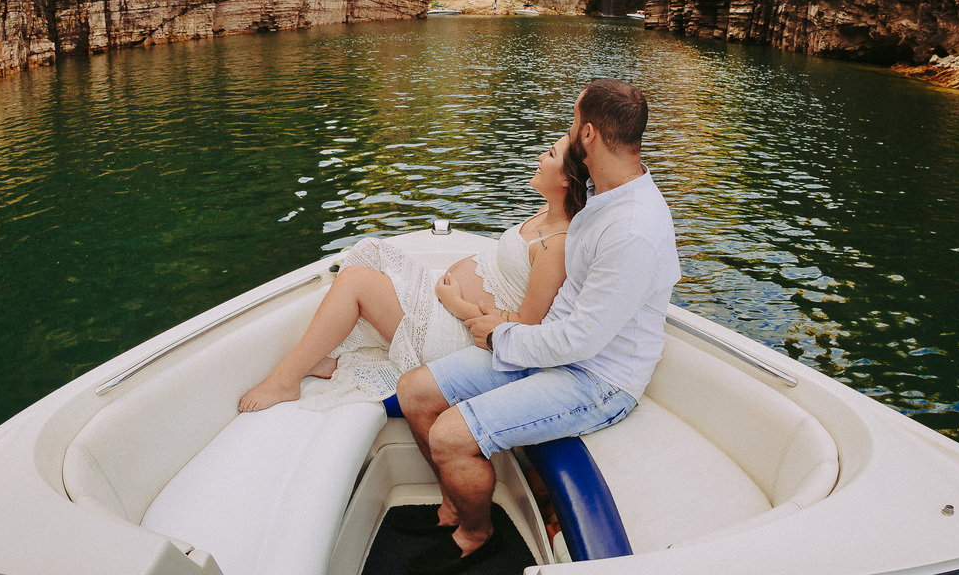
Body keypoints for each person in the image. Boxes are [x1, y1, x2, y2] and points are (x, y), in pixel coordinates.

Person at [394, 78, 680, 575]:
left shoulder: (633, 230)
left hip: (598, 380)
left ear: (588, 134)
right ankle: (453, 508)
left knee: (449, 436)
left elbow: (583, 340)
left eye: (573, 123)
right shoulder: (606, 198)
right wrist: (512, 329)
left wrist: (499, 334)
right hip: (555, 352)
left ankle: (475, 536)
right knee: (414, 392)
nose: (567, 133)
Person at [237, 134, 589, 413]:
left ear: (566, 179)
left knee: (356, 282)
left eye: (550, 155)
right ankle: (328, 357)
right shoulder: (545, 212)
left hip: (460, 331)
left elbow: (526, 326)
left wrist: (456, 303)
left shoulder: (557, 246)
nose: (540, 157)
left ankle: (286, 380)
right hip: (447, 306)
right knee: (368, 252)